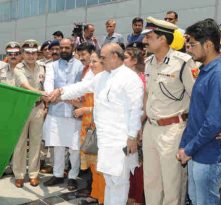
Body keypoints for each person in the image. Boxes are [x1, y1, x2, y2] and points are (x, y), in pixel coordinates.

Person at [48, 43, 143, 205]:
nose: (101, 61)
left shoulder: (130, 78)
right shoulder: (102, 77)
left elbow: (136, 110)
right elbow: (81, 87)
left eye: (103, 58)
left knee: (119, 181)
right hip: (104, 139)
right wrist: (61, 92)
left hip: (121, 139)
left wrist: (132, 136)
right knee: (109, 179)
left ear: (114, 57)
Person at [141, 16, 196, 205]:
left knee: (172, 184)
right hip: (151, 128)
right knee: (151, 182)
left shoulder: (183, 62)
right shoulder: (148, 62)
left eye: (149, 36)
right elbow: (148, 94)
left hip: (173, 130)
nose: (144, 40)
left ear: (162, 39)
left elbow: (196, 98)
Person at [178, 19, 221, 205]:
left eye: (192, 44)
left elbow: (213, 122)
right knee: (196, 199)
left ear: (208, 45)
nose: (189, 49)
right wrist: (185, 146)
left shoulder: (218, 75)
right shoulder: (207, 70)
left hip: (210, 155)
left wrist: (189, 149)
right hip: (198, 152)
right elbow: (196, 115)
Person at [42, 38, 83, 191]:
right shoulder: (51, 65)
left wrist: (61, 95)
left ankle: (72, 176)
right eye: (62, 48)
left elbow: (81, 86)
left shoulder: (80, 65)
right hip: (56, 111)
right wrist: (50, 93)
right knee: (58, 145)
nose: (64, 50)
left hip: (74, 112)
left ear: (72, 48)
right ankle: (58, 174)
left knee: (74, 147)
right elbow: (48, 82)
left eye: (67, 47)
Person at [12, 39, 46, 188]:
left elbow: (46, 84)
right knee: (19, 143)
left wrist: (46, 103)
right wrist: (41, 93)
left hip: (38, 108)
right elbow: (25, 86)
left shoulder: (43, 67)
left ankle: (33, 174)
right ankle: (18, 174)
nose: (31, 56)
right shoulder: (18, 68)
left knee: (36, 143)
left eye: (34, 53)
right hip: (23, 108)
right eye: (28, 53)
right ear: (23, 54)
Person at [75, 43, 106, 205]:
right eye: (91, 62)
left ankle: (103, 198)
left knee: (101, 166)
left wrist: (85, 109)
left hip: (99, 128)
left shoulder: (108, 80)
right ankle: (95, 193)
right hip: (88, 127)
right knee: (93, 165)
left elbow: (107, 107)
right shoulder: (91, 76)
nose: (91, 65)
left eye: (95, 62)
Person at [124, 44, 146, 205]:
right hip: (127, 127)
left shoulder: (141, 79)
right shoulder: (125, 78)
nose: (121, 60)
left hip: (139, 128)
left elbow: (143, 107)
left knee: (137, 166)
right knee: (128, 165)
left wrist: (137, 128)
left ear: (134, 61)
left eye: (125, 57)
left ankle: (137, 199)